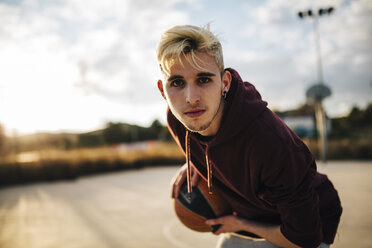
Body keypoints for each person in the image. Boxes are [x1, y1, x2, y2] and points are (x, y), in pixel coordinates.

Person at [156, 24, 342, 248]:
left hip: (307, 227)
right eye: (176, 82)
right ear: (162, 90)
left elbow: (304, 239)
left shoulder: (269, 143)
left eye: (204, 79)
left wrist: (239, 223)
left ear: (224, 83)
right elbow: (217, 148)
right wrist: (198, 163)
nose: (191, 98)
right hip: (259, 214)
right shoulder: (179, 121)